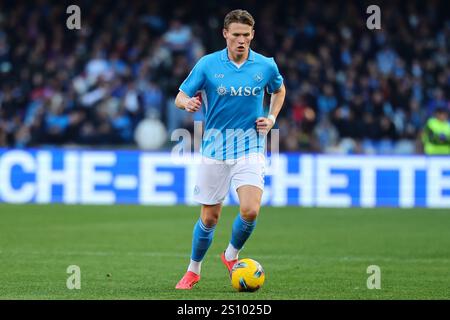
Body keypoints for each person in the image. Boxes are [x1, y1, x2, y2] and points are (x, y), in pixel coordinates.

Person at [174, 9, 286, 289]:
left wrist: (271, 118)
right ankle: (194, 269)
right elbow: (181, 95)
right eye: (235, 35)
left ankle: (231, 255)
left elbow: (279, 90)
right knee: (210, 218)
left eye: (246, 35)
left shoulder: (266, 66)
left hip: (250, 147)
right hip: (214, 149)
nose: (241, 40)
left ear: (252, 35)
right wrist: (187, 104)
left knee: (250, 210)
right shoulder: (208, 65)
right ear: (225, 34)